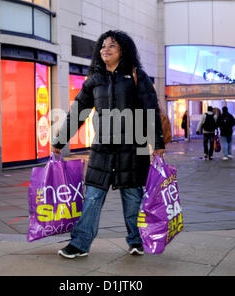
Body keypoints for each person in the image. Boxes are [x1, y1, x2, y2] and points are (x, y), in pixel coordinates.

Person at [51, 30, 165, 259]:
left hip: (134, 146)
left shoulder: (136, 75)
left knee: (132, 196)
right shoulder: (95, 80)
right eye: (103, 46)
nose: (105, 49)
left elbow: (151, 109)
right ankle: (80, 243)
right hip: (102, 148)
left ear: (123, 50)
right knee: (92, 196)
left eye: (112, 45)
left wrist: (157, 143)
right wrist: (60, 141)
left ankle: (136, 241)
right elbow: (78, 113)